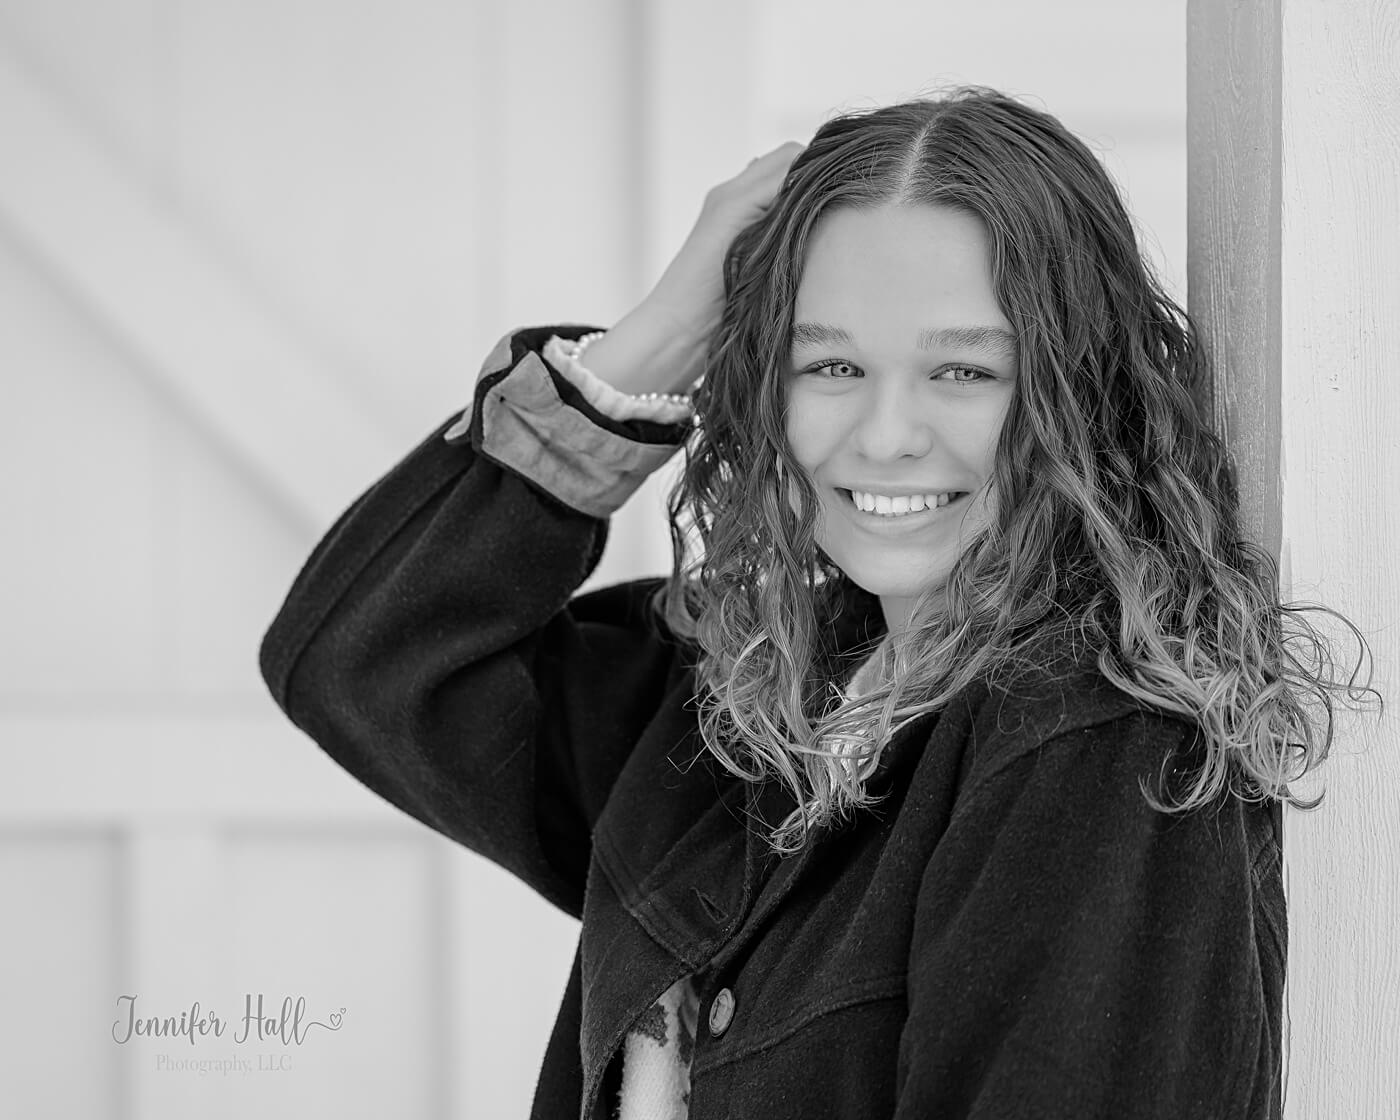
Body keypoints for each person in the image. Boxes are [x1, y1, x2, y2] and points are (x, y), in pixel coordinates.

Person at [258, 86, 1378, 1119]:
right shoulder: (743, 707)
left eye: (962, 370)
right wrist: (638, 354)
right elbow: (364, 666)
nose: (883, 434)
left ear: (1073, 394)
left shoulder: (1093, 748)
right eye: (829, 366)